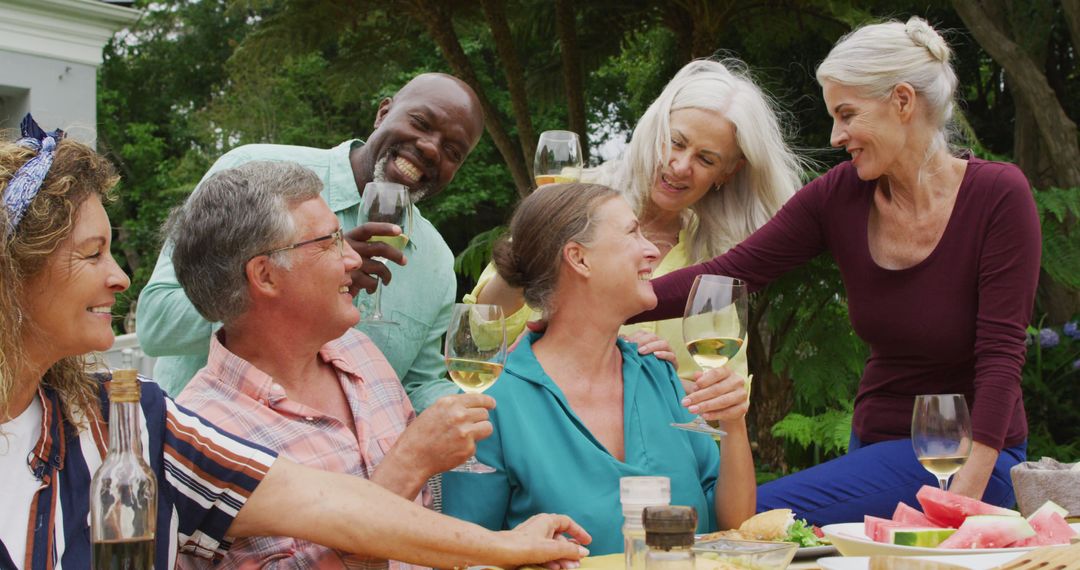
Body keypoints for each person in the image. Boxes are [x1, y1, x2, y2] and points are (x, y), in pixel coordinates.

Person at [0, 116, 589, 569]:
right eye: (91, 253)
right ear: (14, 274)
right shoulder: (169, 421)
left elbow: (328, 507)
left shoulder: (121, 418)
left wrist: (505, 548)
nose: (121, 278)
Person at [633, 17, 1039, 524]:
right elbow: (730, 273)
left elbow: (1001, 357)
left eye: (846, 114)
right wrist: (603, 302)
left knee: (742, 516)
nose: (836, 135)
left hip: (967, 459)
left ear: (903, 102)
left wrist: (964, 507)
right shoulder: (840, 195)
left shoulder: (998, 196)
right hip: (873, 448)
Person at [166, 161, 499, 569]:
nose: (353, 259)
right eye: (330, 241)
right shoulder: (203, 436)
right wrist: (410, 463)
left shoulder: (360, 353)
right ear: (265, 275)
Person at [137, 73, 485, 412]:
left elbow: (415, 388)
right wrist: (299, 278)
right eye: (421, 123)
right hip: (206, 455)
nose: (429, 147)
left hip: (348, 469)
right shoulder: (253, 173)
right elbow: (157, 324)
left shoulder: (436, 262)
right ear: (382, 113)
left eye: (453, 151)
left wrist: (492, 401)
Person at [442, 183, 756, 554]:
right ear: (579, 258)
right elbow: (464, 555)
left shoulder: (660, 375)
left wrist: (734, 423)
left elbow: (734, 530)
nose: (652, 250)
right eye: (631, 233)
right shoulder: (493, 403)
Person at [472, 58, 804, 384]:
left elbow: (721, 394)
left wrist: (649, 376)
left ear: (728, 172)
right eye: (676, 142)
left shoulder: (717, 264)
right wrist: (536, 236)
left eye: (705, 158)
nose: (680, 165)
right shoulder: (574, 199)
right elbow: (482, 329)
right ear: (654, 129)